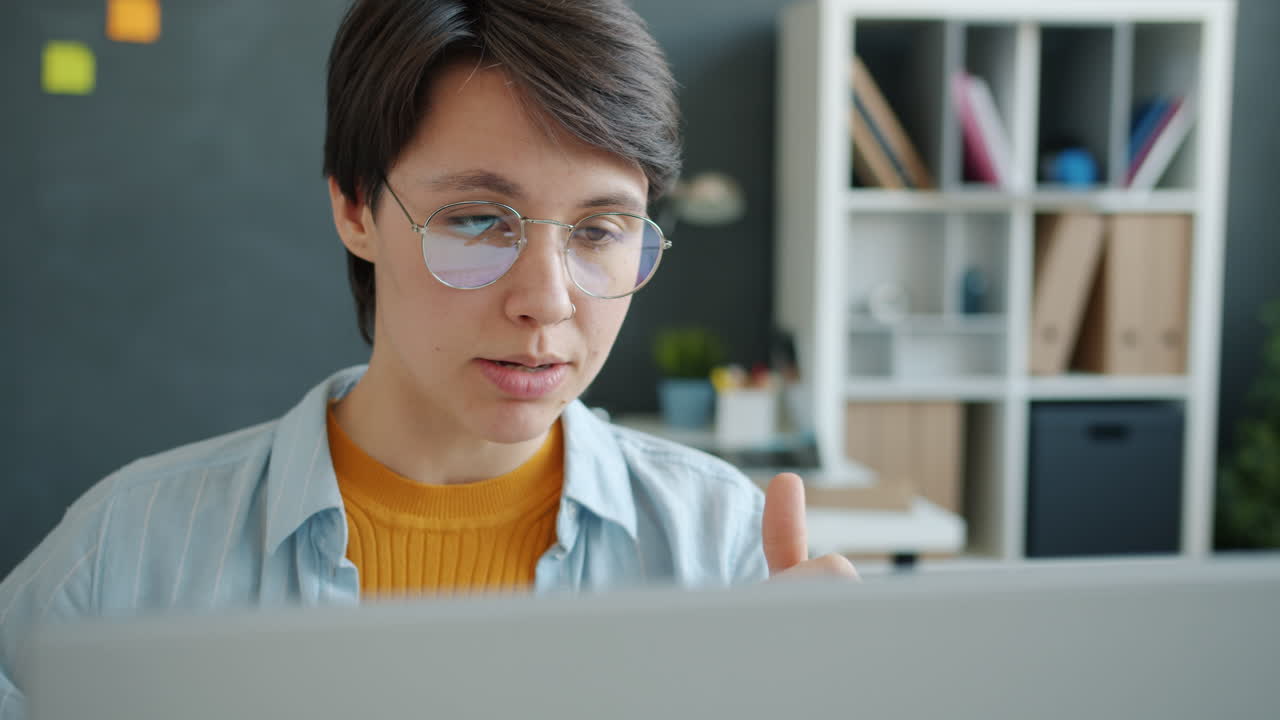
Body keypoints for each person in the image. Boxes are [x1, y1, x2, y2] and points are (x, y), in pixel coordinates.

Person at [0, 1, 855, 717]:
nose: (548, 301)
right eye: (479, 220)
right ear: (354, 207)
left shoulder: (724, 553)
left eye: (599, 231)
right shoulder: (126, 556)